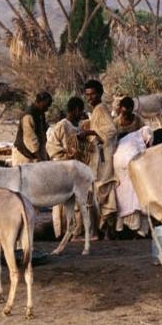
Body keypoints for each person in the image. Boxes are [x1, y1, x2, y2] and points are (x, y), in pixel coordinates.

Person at [80, 79, 119, 236]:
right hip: (98, 155)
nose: (90, 97)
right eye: (87, 95)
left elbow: (110, 131)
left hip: (104, 157)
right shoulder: (96, 110)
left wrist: (90, 132)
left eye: (93, 94)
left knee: (103, 188)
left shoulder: (101, 108)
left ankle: (107, 229)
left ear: (100, 93)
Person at [46, 96, 88, 236]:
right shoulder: (62, 125)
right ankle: (61, 231)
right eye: (80, 110)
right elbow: (52, 146)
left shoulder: (77, 126)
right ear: (76, 110)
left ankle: (74, 230)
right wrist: (67, 153)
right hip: (61, 167)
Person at [12, 91, 52, 166]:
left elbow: (44, 130)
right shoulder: (28, 116)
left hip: (34, 156)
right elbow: (30, 140)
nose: (47, 109)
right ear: (40, 102)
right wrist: (40, 158)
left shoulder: (40, 114)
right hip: (24, 156)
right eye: (46, 106)